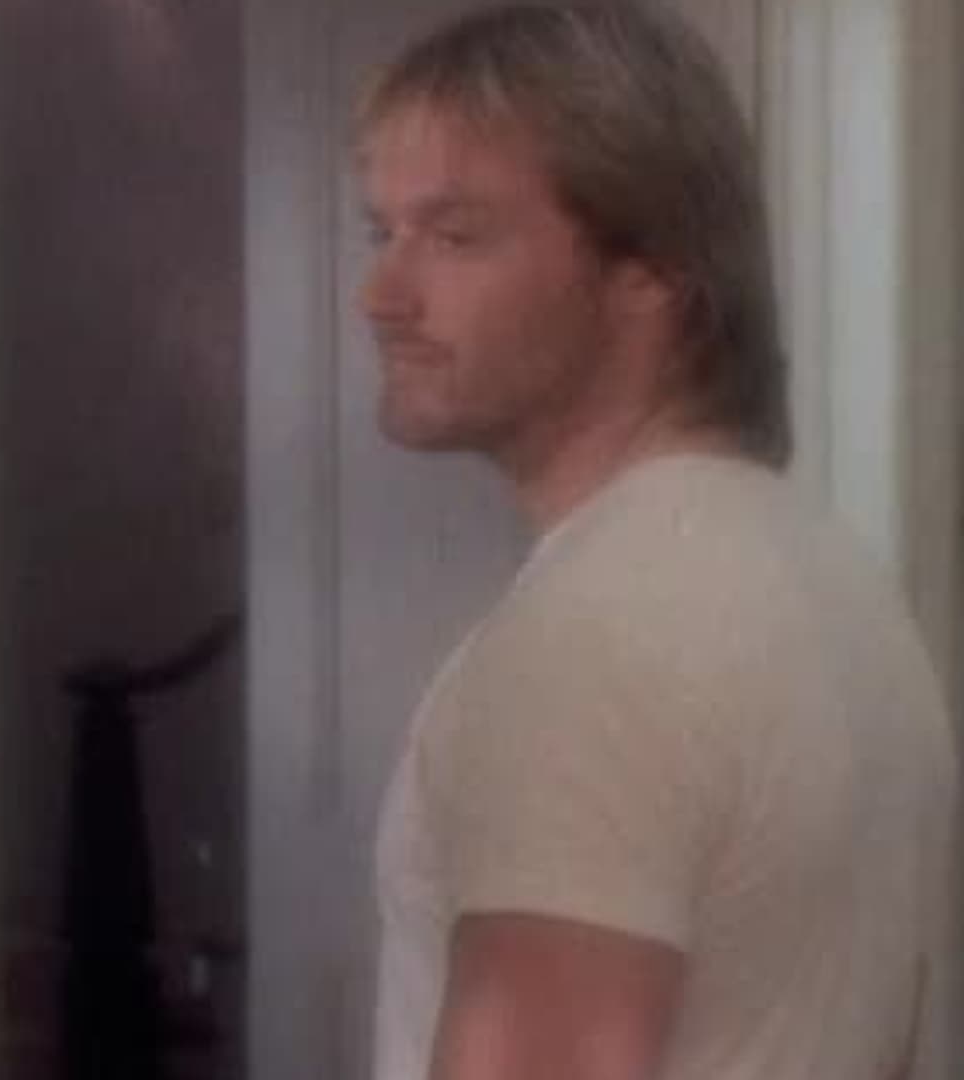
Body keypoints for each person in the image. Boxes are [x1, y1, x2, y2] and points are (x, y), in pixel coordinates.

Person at [358, 4, 957, 1079]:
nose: (381, 297)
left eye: (455, 236)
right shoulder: (837, 585)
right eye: (380, 233)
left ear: (654, 272)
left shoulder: (591, 645)